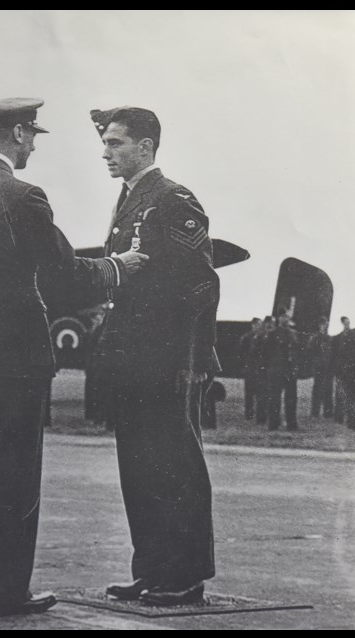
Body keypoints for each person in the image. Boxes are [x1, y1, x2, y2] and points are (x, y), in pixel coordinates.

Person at [0, 97, 148, 619]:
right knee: (14, 478)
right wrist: (117, 266)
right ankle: (4, 594)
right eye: (34, 135)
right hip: (15, 359)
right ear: (18, 134)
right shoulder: (23, 195)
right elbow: (62, 272)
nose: (36, 145)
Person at [90, 106, 219, 606]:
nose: (106, 152)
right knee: (139, 465)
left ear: (146, 147)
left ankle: (185, 575)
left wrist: (192, 358)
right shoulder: (132, 200)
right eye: (105, 143)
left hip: (167, 358)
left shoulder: (172, 199)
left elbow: (201, 283)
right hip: (133, 359)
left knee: (174, 464)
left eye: (116, 143)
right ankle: (151, 568)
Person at [264, 313, 300, 430]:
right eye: (282, 316)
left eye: (287, 317)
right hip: (276, 370)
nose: (285, 319)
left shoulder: (294, 334)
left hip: (290, 370)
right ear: (279, 318)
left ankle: (291, 424)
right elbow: (266, 353)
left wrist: (295, 367)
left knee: (291, 398)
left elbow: (296, 352)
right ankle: (273, 424)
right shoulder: (272, 334)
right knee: (274, 398)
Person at [308, 317, 334, 419]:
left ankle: (328, 412)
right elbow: (310, 351)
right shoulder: (315, 337)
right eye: (323, 324)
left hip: (328, 367)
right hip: (318, 366)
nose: (325, 326)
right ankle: (315, 412)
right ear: (320, 325)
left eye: (327, 324)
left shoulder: (330, 338)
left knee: (328, 389)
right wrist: (315, 362)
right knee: (317, 388)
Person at [237, 317, 261, 420]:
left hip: (259, 367)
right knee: (249, 392)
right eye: (257, 324)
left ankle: (259, 412)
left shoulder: (262, 336)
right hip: (250, 367)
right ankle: (249, 413)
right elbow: (241, 352)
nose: (258, 327)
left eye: (260, 324)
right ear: (253, 325)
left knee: (260, 391)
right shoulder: (247, 337)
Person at [330, 316, 353, 425]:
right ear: (342, 324)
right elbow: (333, 356)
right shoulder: (337, 338)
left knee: (350, 394)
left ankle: (350, 418)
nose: (348, 326)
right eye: (346, 323)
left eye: (349, 323)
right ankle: (339, 417)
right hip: (340, 370)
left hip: (351, 370)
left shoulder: (354, 338)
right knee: (339, 394)